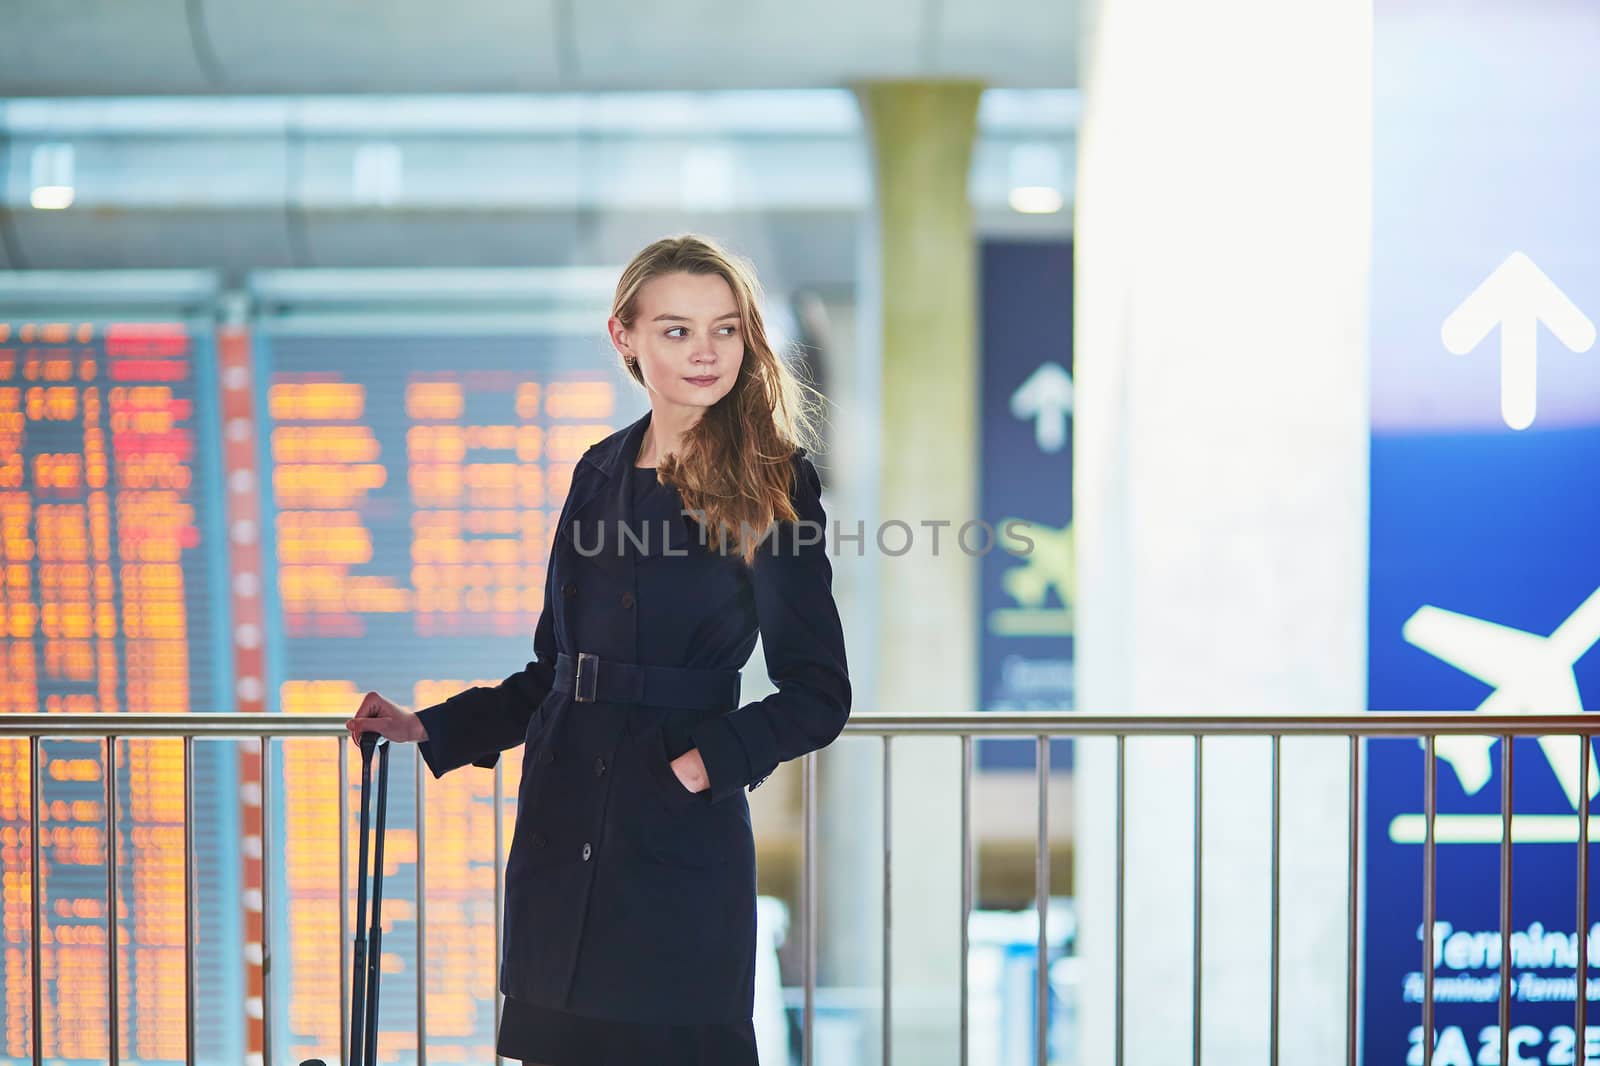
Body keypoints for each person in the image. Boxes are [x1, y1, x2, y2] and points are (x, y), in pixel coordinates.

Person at [346, 234, 853, 1066]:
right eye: (678, 330)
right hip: (563, 825)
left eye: (725, 330)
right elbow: (554, 670)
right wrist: (430, 727)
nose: (706, 353)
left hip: (676, 839)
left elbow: (817, 692)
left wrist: (699, 766)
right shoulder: (598, 469)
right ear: (626, 337)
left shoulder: (773, 479)